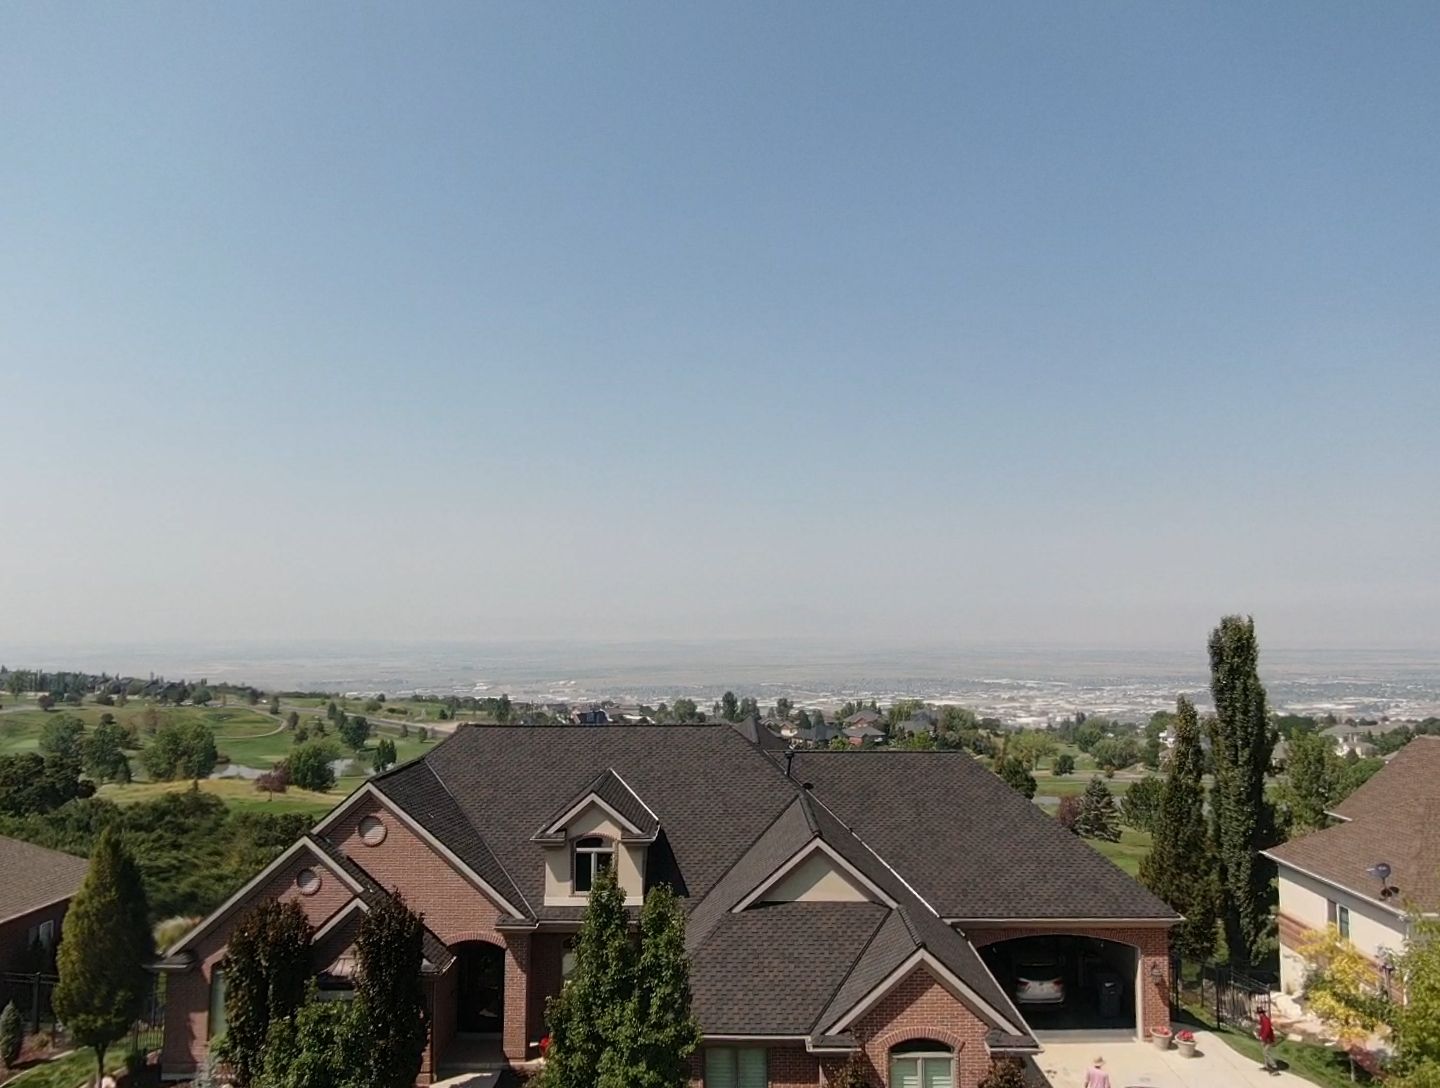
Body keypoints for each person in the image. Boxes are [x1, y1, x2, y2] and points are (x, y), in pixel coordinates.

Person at [1259, 1007, 1278, 1075]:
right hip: (1265, 1039)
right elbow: (1262, 1029)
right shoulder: (1262, 1019)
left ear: (1263, 1013)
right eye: (1259, 1013)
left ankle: (1274, 1067)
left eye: (1261, 1013)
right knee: (1264, 1052)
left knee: (1266, 1052)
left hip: (1269, 1039)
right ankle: (1266, 1066)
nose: (1260, 1014)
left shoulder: (1266, 1020)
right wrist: (1260, 1035)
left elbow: (1267, 1030)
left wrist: (1263, 1038)